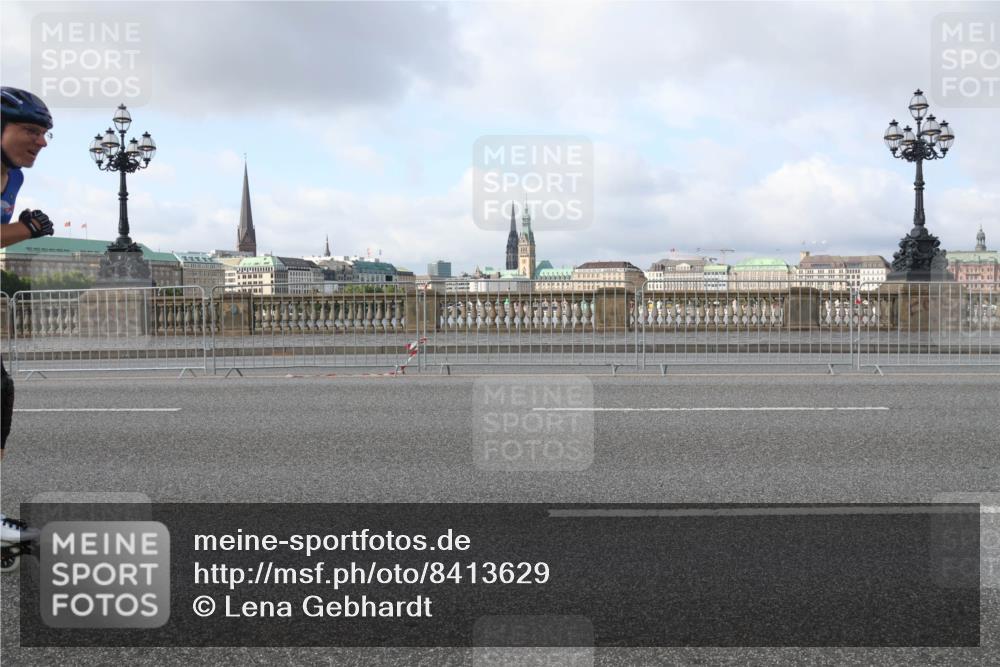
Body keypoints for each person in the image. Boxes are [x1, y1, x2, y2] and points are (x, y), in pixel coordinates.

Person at [1, 87, 54, 568]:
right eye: (30, 131)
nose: (40, 141)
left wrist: (22, 228)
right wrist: (27, 231)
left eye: (44, 133)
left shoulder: (10, 175)